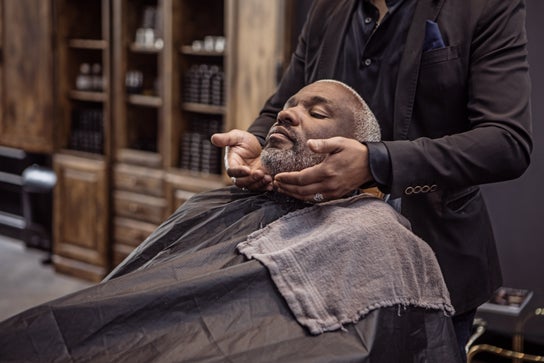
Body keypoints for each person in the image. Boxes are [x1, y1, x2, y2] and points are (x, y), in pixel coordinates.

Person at [0, 81, 461, 362]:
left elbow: (509, 142)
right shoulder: (225, 203)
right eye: (291, 106)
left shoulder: (375, 235)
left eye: (316, 113)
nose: (286, 112)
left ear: (352, 150)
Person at [210, 0, 533, 360]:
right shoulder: (327, 9)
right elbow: (282, 105)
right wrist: (258, 143)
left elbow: (506, 141)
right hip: (315, 256)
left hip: (433, 256)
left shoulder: (483, 7)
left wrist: (377, 161)